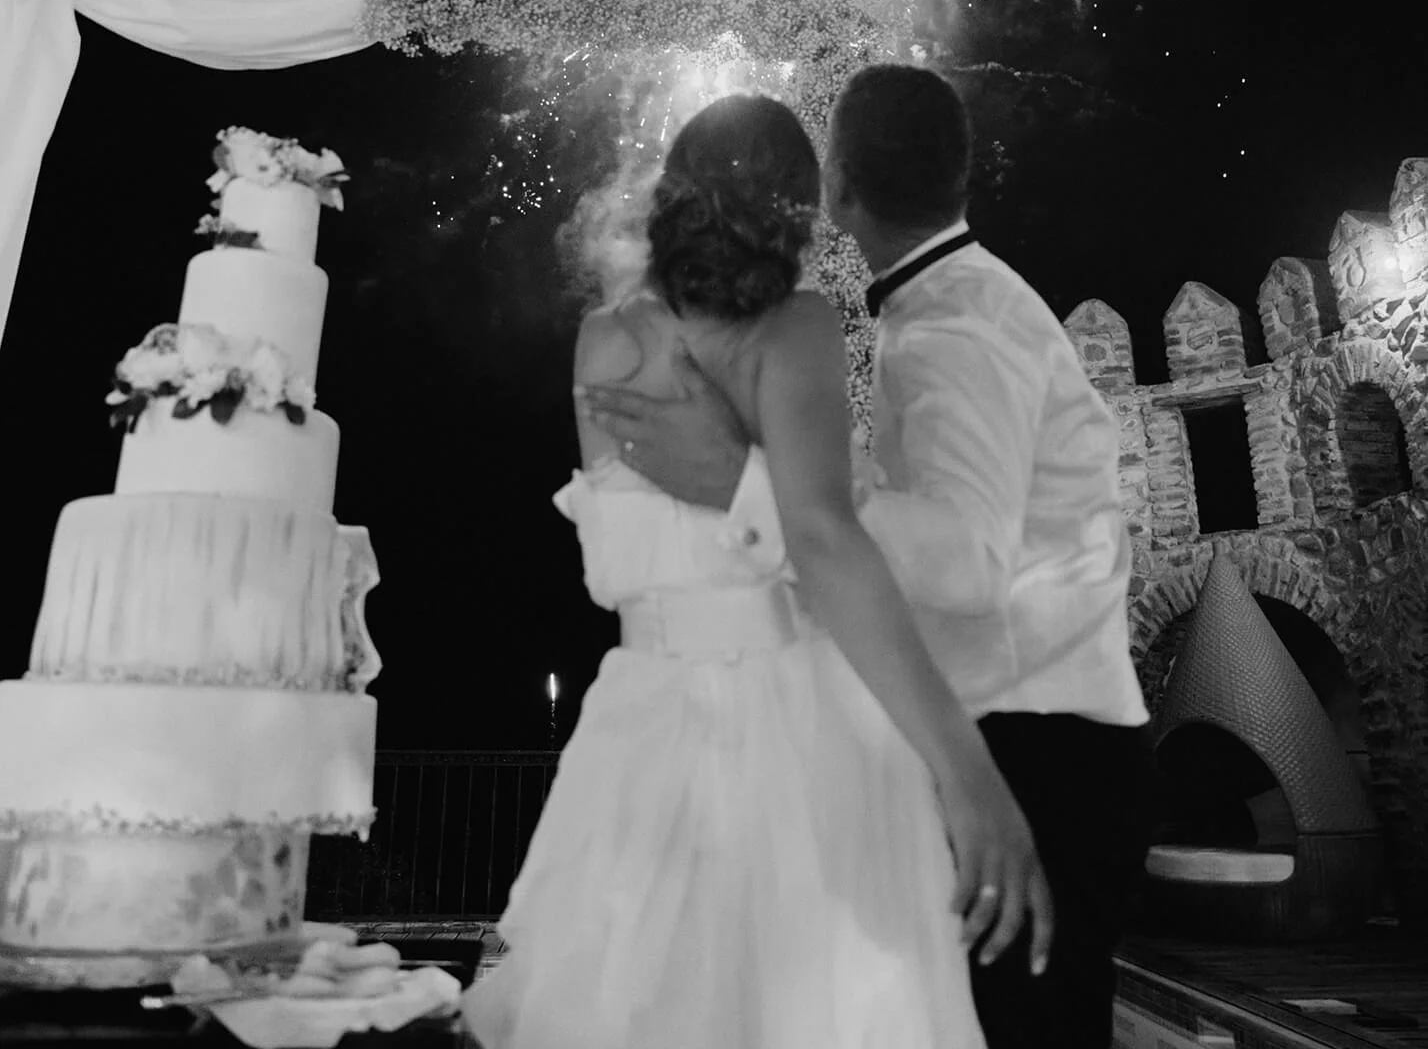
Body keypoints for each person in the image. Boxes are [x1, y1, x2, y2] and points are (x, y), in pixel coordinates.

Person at [581, 65, 1152, 1049]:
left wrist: (756, 484)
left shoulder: (957, 323)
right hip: (995, 733)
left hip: (1033, 749)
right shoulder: (903, 312)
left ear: (840, 190)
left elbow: (969, 563)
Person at [465, 93, 1052, 1049]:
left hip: (639, 725)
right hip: (799, 731)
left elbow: (622, 562)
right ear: (797, 207)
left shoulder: (604, 340)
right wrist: (967, 771)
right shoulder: (797, 330)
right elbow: (823, 544)